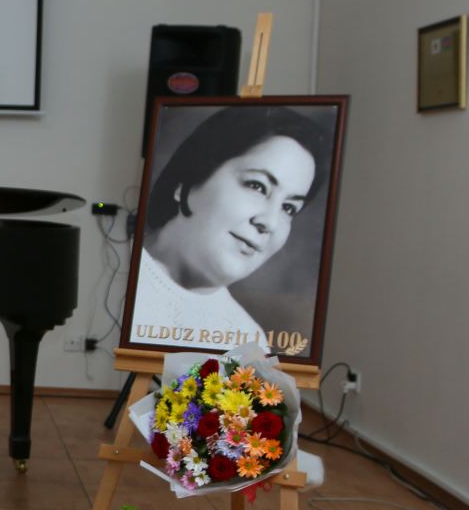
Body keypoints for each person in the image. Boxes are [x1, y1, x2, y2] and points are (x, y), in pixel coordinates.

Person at [130, 106, 330, 351]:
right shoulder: (110, 275)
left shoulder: (249, 342)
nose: (270, 223)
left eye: (289, 208)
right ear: (188, 182)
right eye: (257, 186)